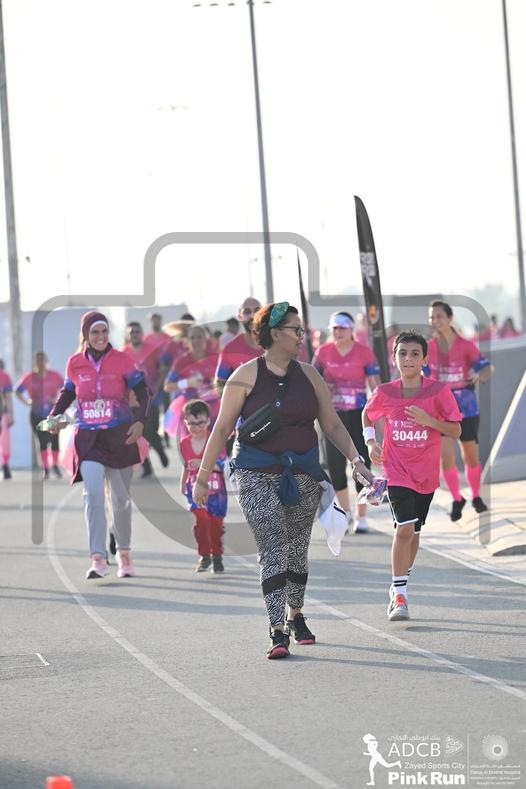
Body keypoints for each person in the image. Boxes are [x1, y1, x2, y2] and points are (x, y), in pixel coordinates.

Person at [192, 302, 373, 659]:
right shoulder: (245, 376)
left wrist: (356, 460)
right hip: (255, 471)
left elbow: (332, 424)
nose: (302, 337)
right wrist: (203, 476)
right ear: (274, 334)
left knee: (297, 549)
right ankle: (276, 629)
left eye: (302, 330)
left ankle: (296, 614)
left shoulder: (310, 375)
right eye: (296, 330)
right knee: (273, 544)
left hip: (303, 470)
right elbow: (223, 428)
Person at [363, 330, 461, 621]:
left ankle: (399, 582)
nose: (408, 359)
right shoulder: (385, 392)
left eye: (415, 354)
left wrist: (429, 420)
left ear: (424, 360)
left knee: (414, 534)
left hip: (426, 474)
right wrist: (371, 442)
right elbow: (367, 415)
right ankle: (400, 594)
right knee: (404, 529)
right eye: (402, 353)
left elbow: (455, 430)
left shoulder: (438, 391)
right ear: (394, 359)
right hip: (396, 471)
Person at [47, 311, 150, 579]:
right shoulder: (75, 363)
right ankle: (98, 558)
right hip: (88, 438)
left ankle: (124, 554)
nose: (101, 337)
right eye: (95, 332)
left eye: (104, 331)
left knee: (120, 499)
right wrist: (54, 416)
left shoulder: (122, 360)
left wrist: (140, 422)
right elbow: (68, 393)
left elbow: (143, 391)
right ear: (85, 335)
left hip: (120, 436)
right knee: (92, 494)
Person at [313, 311, 380, 533]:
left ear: (351, 330)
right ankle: (346, 513)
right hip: (332, 416)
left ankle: (362, 515)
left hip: (358, 415)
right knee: (335, 467)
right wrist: (323, 388)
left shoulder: (364, 352)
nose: (338, 332)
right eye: (334, 328)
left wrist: (381, 414)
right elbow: (312, 381)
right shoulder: (323, 352)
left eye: (342, 328)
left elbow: (375, 385)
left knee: (361, 463)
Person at [427, 300, 493, 520]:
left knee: (470, 457)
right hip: (440, 411)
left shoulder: (465, 345)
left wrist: (479, 375)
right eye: (432, 317)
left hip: (466, 408)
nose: (435, 321)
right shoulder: (429, 348)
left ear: (450, 318)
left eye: (439, 316)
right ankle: (457, 499)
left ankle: (476, 496)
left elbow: (487, 369)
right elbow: (420, 375)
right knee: (446, 459)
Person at [179, 399, 227, 574]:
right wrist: (182, 482)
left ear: (208, 421)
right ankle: (204, 555)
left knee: (215, 525)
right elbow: (186, 466)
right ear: (185, 422)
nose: (196, 427)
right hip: (194, 489)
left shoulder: (215, 440)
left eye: (200, 423)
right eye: (191, 423)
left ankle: (217, 556)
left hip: (216, 490)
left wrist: (203, 463)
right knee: (201, 523)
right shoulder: (184, 443)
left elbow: (222, 465)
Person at [122, 321, 170, 476]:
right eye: (131, 332)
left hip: (150, 399)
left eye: (137, 331)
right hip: (131, 401)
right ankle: (147, 466)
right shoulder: (123, 353)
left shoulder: (152, 350)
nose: (134, 334)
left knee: (150, 431)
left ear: (141, 334)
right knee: (136, 435)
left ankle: (160, 450)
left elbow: (163, 370)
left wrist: (155, 389)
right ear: (128, 336)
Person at [164, 324, 220, 440]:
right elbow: (167, 386)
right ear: (187, 341)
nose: (196, 341)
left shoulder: (216, 358)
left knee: (213, 443)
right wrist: (187, 383)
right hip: (190, 409)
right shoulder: (181, 361)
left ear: (206, 339)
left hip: (213, 408)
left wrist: (214, 385)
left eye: (199, 337)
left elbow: (227, 382)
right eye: (192, 338)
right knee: (192, 445)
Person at [16, 352, 64, 480]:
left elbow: (65, 390)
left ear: (46, 362)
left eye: (42, 361)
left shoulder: (54, 376)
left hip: (52, 414)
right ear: (35, 363)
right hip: (36, 415)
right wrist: (27, 402)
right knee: (42, 441)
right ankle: (46, 469)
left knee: (54, 439)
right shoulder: (29, 377)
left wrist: (57, 399)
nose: (40, 363)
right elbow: (17, 391)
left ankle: (55, 466)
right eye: (38, 361)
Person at [214, 297, 263, 393]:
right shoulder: (230, 349)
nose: (253, 316)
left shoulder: (278, 343)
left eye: (257, 310)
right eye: (247, 312)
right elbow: (220, 384)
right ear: (240, 317)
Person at [0, 359, 14, 479]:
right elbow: (9, 398)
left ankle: (5, 465)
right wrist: (11, 414)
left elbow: (9, 397)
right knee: (4, 442)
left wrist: (10, 414)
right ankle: (5, 465)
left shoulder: (5, 377)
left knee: (4, 441)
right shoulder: (5, 377)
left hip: (2, 413)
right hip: (3, 414)